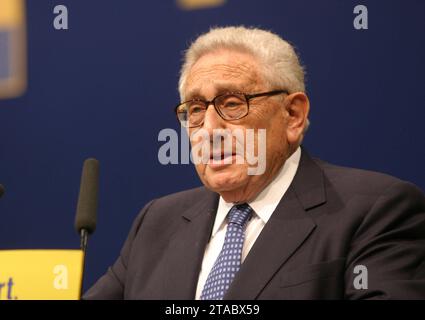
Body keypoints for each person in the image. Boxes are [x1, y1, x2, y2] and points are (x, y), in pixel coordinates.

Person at [84, 26, 425, 300]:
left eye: (232, 103)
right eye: (196, 110)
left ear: (293, 115)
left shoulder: (375, 210)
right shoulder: (158, 221)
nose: (210, 130)